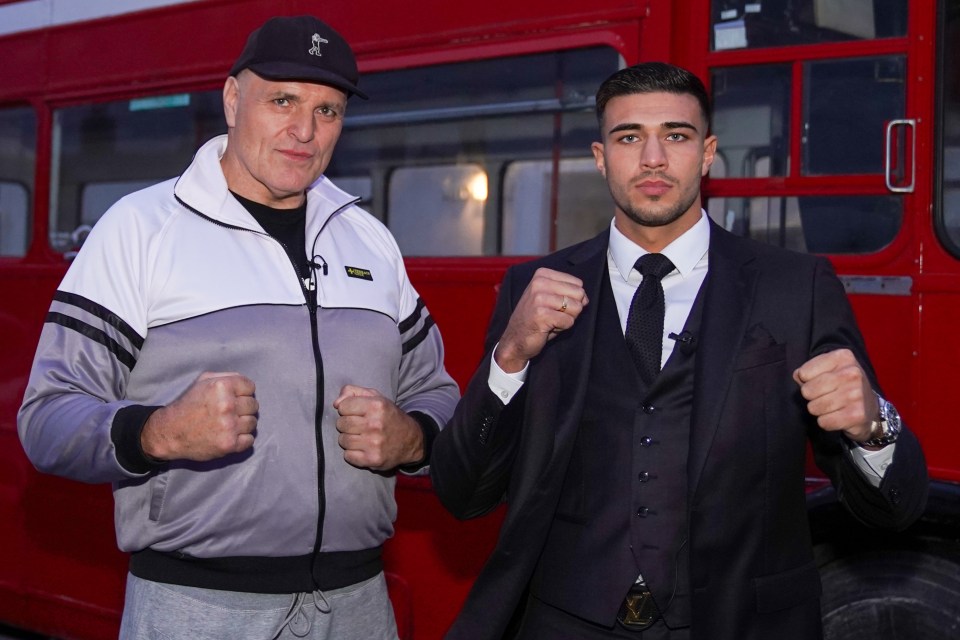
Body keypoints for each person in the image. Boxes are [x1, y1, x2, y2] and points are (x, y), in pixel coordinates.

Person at [430, 62, 928, 640]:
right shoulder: (532, 288)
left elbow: (895, 508)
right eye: (628, 138)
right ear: (599, 157)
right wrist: (510, 356)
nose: (653, 159)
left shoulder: (796, 287)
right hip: (565, 623)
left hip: (739, 623)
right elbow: (462, 493)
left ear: (708, 151)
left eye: (675, 135)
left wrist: (873, 425)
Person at [18, 15, 459, 640]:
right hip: (195, 607)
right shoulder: (141, 228)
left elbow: (436, 390)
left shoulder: (370, 239)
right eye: (282, 100)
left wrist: (412, 438)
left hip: (359, 603)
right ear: (232, 99)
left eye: (327, 110)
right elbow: (46, 416)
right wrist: (158, 432)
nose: (304, 130)